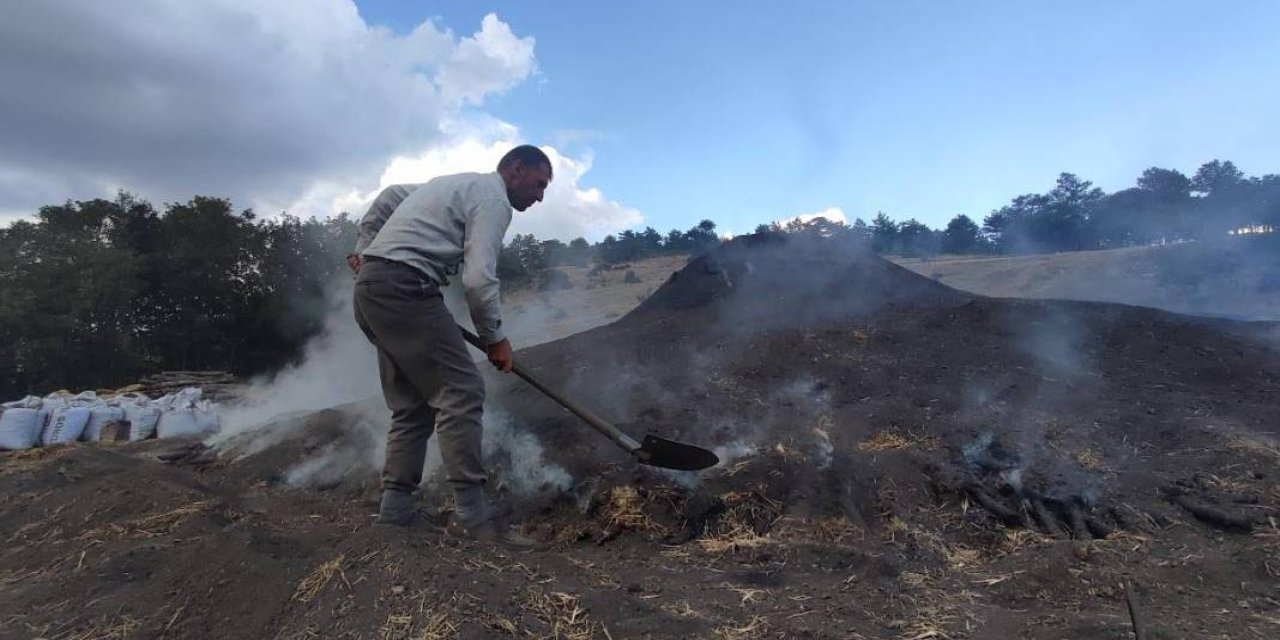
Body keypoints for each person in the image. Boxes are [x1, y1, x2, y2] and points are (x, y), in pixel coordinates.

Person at [351, 145, 552, 548]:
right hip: (406, 288)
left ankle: (395, 511)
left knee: (413, 403)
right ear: (516, 169)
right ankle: (474, 519)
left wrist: (364, 249)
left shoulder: (453, 185)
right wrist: (495, 338)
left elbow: (390, 196)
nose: (540, 196)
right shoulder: (494, 199)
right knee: (461, 391)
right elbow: (478, 280)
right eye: (539, 184)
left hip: (371, 291)